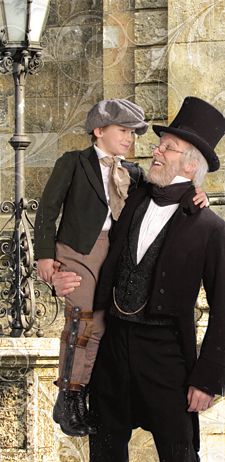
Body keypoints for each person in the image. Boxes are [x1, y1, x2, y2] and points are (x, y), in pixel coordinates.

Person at [52, 96, 225, 462]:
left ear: (190, 164)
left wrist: (207, 379)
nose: (156, 151)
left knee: (179, 454)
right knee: (105, 451)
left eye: (168, 147)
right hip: (113, 346)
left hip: (166, 355)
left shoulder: (209, 227)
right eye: (160, 144)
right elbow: (78, 224)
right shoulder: (131, 197)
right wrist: (55, 272)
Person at [34, 98, 150, 437]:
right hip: (77, 251)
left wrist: (194, 195)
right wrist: (44, 257)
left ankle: (83, 394)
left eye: (133, 133)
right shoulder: (73, 163)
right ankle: (67, 398)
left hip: (113, 254)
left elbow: (161, 197)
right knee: (83, 320)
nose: (129, 138)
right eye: (123, 131)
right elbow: (47, 209)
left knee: (101, 324)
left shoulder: (133, 172)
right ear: (99, 131)